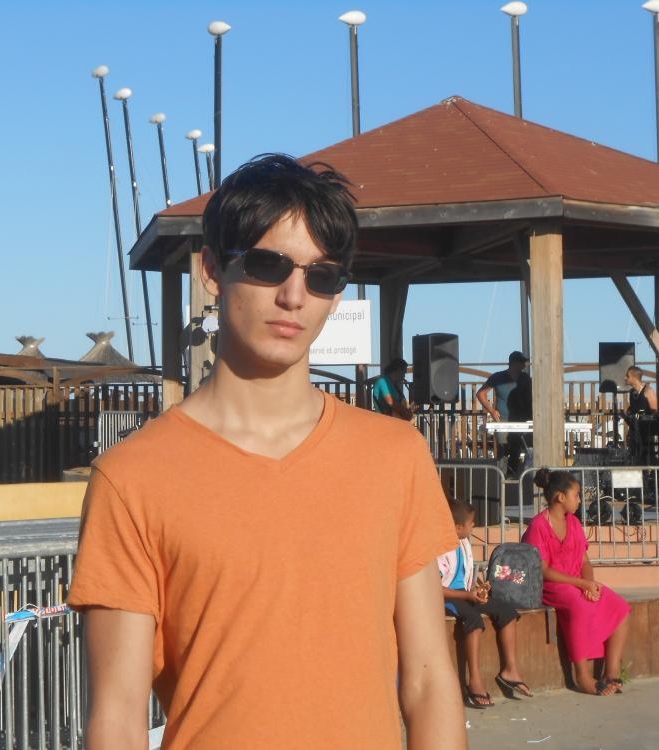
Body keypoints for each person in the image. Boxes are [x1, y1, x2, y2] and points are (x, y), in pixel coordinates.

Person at [66, 154, 465, 749]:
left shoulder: (396, 455)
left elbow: (429, 682)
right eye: (267, 264)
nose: (294, 295)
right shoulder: (132, 478)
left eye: (322, 275)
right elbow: (118, 719)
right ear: (211, 270)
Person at [521, 468, 631, 696]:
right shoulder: (538, 526)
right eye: (576, 495)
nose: (580, 500)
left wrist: (590, 584)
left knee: (619, 606)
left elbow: (584, 562)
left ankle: (611, 671)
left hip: (577, 583)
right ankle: (582, 675)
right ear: (561, 497)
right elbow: (543, 570)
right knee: (579, 606)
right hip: (551, 586)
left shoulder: (573, 523)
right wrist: (581, 585)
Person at [438, 499, 531, 708]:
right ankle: (474, 681)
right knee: (473, 619)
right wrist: (468, 596)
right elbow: (436, 588)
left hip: (465, 594)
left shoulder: (463, 543)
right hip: (448, 597)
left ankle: (510, 669)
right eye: (471, 523)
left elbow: (465, 578)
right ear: (457, 527)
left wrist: (479, 590)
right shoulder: (440, 548)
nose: (474, 526)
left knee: (507, 612)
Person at [476, 350, 532, 475]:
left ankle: (513, 477)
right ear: (514, 363)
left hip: (522, 420)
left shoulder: (525, 378)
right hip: (502, 420)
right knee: (503, 451)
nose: (524, 365)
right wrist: (491, 410)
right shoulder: (498, 377)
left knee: (517, 449)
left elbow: (531, 398)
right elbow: (481, 393)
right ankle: (501, 478)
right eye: (522, 362)